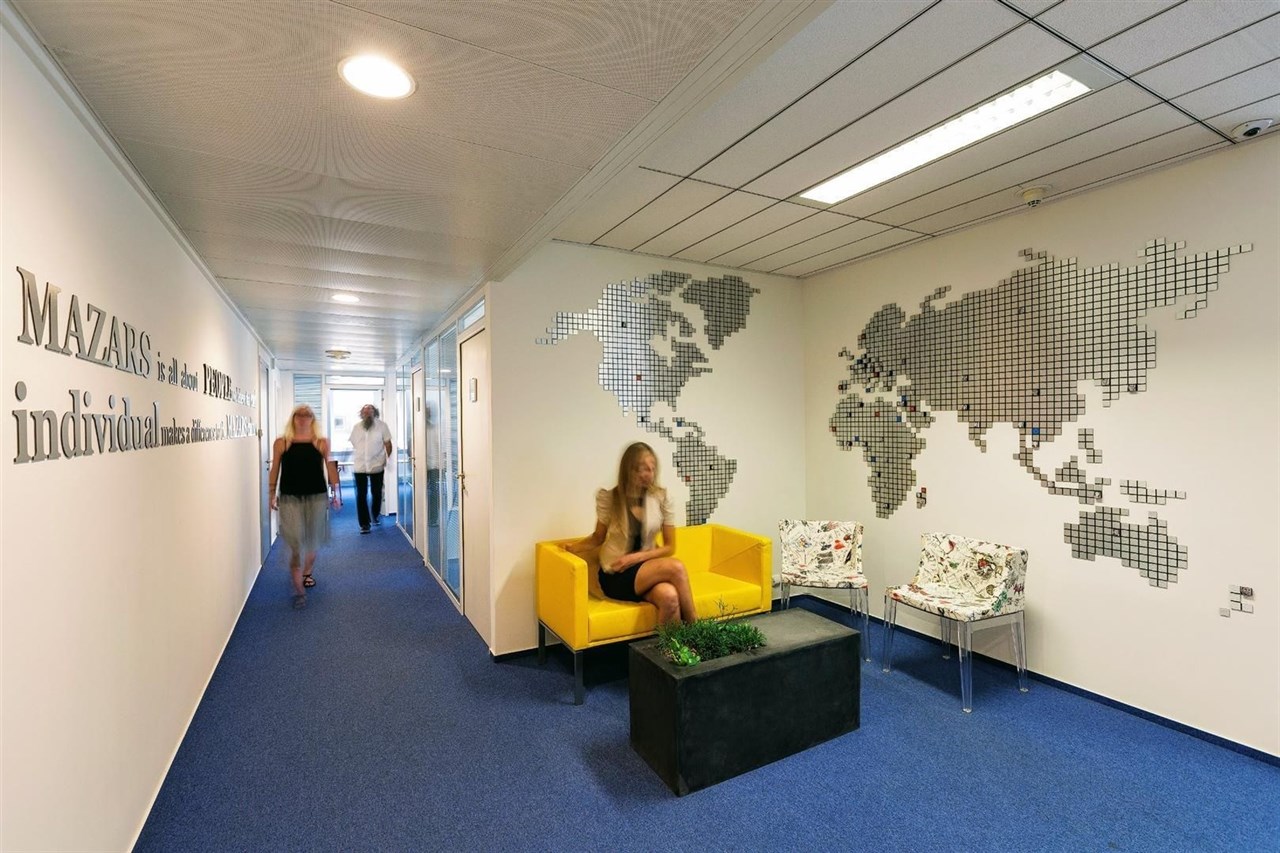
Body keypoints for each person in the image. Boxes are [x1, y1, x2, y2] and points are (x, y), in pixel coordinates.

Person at [563, 441, 696, 625]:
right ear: (628, 469)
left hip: (645, 570)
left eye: (652, 468)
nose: (648, 474)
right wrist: (571, 549)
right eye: (642, 468)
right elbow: (598, 537)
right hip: (616, 574)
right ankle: (697, 630)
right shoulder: (610, 498)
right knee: (676, 568)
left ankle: (671, 645)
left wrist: (635, 558)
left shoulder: (661, 497)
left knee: (670, 597)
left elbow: (670, 547)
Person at [267, 405, 341, 609]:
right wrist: (271, 494)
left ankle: (307, 572)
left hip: (316, 497)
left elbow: (330, 467)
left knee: (313, 541)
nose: (302, 418)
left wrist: (336, 493)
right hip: (290, 497)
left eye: (306, 415)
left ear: (312, 419)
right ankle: (299, 588)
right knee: (295, 542)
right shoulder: (282, 442)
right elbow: (274, 469)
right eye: (298, 415)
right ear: (293, 418)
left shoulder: (321, 442)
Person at [348, 403, 393, 534]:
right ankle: (364, 524)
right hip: (360, 465)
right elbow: (354, 443)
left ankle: (375, 514)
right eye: (365, 411)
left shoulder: (382, 426)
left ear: (375, 413)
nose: (367, 413)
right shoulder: (356, 427)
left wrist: (387, 458)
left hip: (376, 465)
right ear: (361, 414)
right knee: (361, 495)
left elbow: (388, 444)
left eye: (370, 411)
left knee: (377, 493)